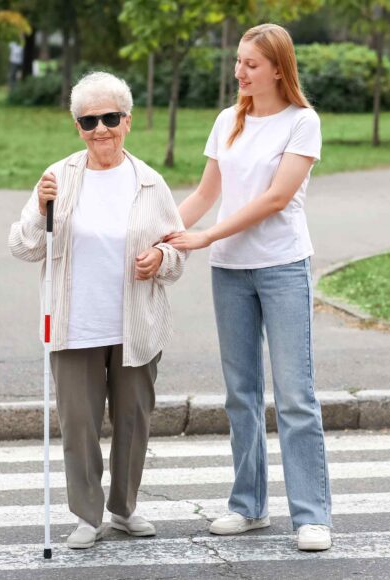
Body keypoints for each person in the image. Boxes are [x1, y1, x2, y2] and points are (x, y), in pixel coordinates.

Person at [165, 23, 332, 552]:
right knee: (241, 395)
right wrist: (160, 232)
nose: (239, 72)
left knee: (295, 395)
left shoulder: (302, 123)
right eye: (237, 62)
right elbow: (205, 194)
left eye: (251, 65)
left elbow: (276, 198)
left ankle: (311, 516)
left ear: (278, 69)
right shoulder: (227, 122)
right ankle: (249, 506)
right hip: (229, 271)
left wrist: (207, 235)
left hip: (281, 266)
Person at [9, 71, 186, 549]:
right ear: (78, 127)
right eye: (89, 121)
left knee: (134, 420)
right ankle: (86, 515)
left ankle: (124, 510)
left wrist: (162, 258)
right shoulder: (58, 177)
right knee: (80, 425)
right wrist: (39, 210)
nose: (100, 129)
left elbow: (178, 251)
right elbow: (25, 247)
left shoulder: (149, 182)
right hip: (74, 323)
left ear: (127, 121)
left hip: (135, 324)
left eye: (110, 118)